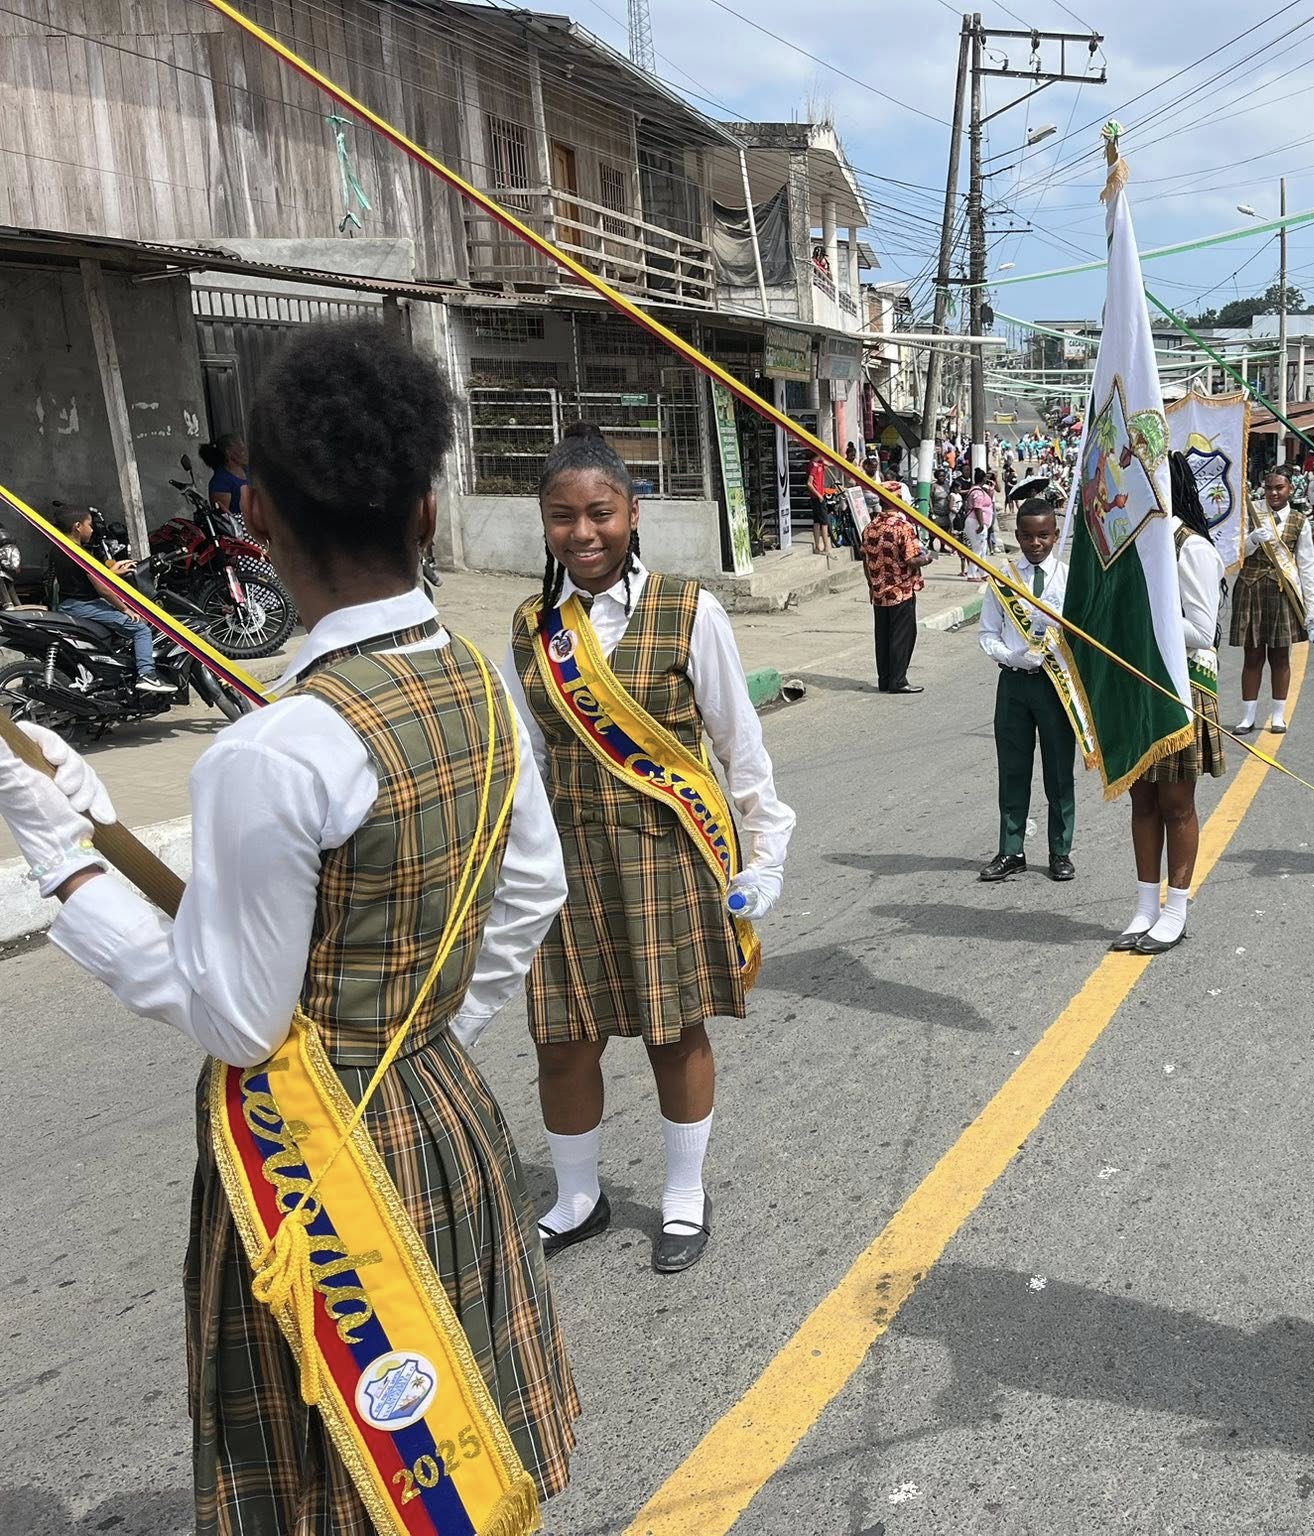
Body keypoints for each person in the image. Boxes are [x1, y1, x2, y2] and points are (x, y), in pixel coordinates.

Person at [1, 320, 579, 1529]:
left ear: (255, 515)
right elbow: (533, 890)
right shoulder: (482, 679)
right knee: (453, 1449)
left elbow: (235, 1017)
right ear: (427, 513)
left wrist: (64, 868)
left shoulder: (270, 751)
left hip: (312, 1155)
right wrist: (422, 1027)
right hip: (440, 1103)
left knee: (338, 1480)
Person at [509, 422, 794, 1275]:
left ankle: (682, 1195)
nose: (583, 533)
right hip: (569, 865)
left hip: (667, 854)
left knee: (673, 1031)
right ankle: (578, 1198)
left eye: (599, 512)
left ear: (633, 513)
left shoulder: (689, 610)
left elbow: (739, 744)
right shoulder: (533, 626)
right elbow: (531, 761)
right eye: (563, 517)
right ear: (545, 522)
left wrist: (764, 854)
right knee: (563, 1038)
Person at [1114, 451, 1227, 956]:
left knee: (1176, 804)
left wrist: (1142, 615)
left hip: (1180, 688)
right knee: (1142, 801)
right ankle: (1144, 906)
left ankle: (1175, 910)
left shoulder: (1192, 547)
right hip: (1139, 685)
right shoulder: (1138, 544)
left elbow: (1204, 632)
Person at [977, 499, 1076, 884]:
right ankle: (1011, 850)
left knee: (1059, 770)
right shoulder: (1002, 578)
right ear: (1017, 536)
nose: (1036, 543)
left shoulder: (1067, 578)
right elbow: (988, 632)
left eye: (1044, 535)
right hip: (1014, 683)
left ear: (1055, 535)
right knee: (1013, 769)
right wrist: (1011, 656)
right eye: (1028, 536)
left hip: (1054, 684)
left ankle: (1060, 851)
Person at [1232, 467, 1314, 735]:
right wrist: (1251, 541)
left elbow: (1306, 567)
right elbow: (1233, 551)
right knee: (1252, 655)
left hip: (1283, 593)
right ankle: (1247, 717)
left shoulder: (1300, 521)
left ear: (1290, 489)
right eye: (1269, 488)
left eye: (1279, 488)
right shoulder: (1251, 514)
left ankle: (1278, 716)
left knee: (1280, 656)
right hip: (1251, 589)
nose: (1273, 493)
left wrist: (1312, 612)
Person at [51, 506, 175, 692]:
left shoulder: (58, 549)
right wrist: (125, 609)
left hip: (68, 604)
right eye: (89, 525)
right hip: (86, 605)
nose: (91, 530)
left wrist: (110, 572)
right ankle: (147, 675)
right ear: (77, 526)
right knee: (141, 629)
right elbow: (104, 590)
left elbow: (82, 578)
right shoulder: (81, 553)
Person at [862, 480, 934, 692]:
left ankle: (885, 680)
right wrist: (927, 559)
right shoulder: (903, 527)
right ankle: (898, 681)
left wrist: (871, 585)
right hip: (900, 590)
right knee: (902, 636)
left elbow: (865, 559)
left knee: (882, 637)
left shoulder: (870, 527)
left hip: (879, 591)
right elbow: (911, 560)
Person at [199, 434, 250, 534]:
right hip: (242, 533)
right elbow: (224, 519)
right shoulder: (221, 481)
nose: (246, 451)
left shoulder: (248, 471)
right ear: (228, 452)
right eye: (241, 448)